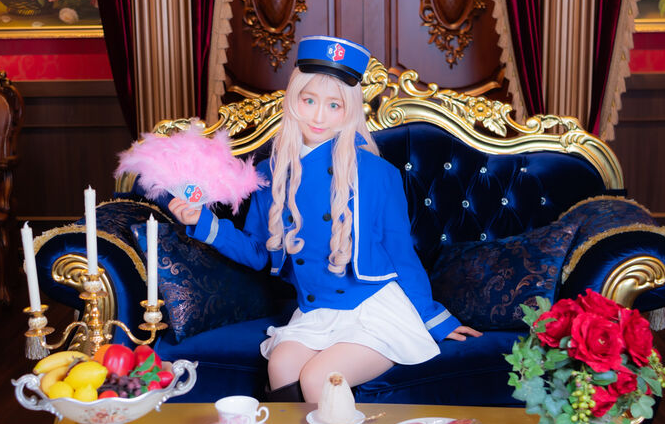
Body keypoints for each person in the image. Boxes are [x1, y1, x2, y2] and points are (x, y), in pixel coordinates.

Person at [168, 35, 480, 404]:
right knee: (281, 365)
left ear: (350, 111)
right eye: (309, 100)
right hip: (316, 312)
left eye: (334, 105)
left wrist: (435, 319)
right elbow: (259, 252)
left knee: (318, 378)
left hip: (373, 311)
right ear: (293, 100)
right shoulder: (271, 173)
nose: (319, 116)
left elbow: (401, 253)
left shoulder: (376, 173)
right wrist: (204, 223)